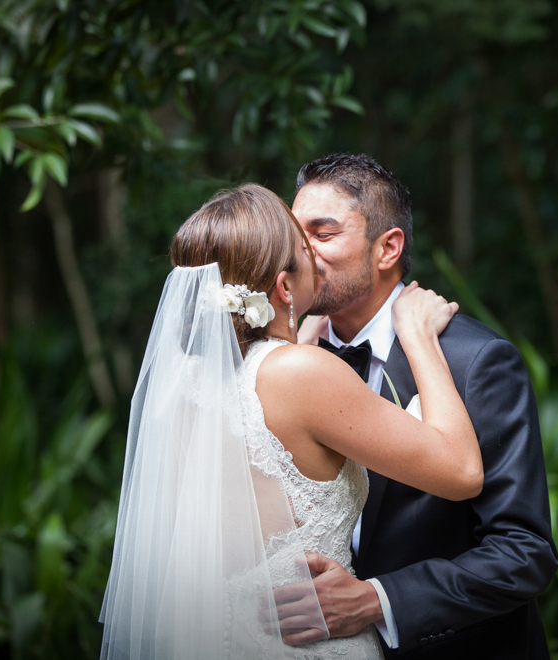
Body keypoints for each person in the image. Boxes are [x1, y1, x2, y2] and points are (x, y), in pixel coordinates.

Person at [99, 183, 482, 660]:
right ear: (282, 287)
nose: (317, 260)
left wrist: (293, 332)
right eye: (305, 248)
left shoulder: (188, 385)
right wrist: (419, 336)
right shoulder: (303, 372)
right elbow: (463, 473)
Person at [284, 153, 558, 659]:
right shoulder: (293, 363)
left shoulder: (476, 362)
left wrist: (377, 601)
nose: (300, 256)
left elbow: (524, 554)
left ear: (388, 248)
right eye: (295, 240)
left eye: (321, 235)